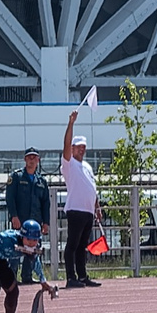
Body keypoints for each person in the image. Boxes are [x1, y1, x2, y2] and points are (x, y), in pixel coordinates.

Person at [59, 112, 103, 288]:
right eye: (78, 146)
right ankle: (71, 277)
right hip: (76, 209)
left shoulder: (87, 166)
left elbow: (93, 187)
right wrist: (71, 123)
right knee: (72, 244)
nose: (81, 149)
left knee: (82, 245)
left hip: (87, 210)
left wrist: (97, 207)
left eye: (83, 146)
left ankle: (82, 276)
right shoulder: (69, 164)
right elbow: (65, 145)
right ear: (73, 148)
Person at [7, 149, 52, 236]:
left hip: (36, 221)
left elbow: (45, 203)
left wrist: (46, 222)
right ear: (25, 159)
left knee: (35, 247)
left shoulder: (41, 181)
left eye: (34, 158)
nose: (32, 160)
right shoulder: (17, 177)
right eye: (29, 158)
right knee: (19, 246)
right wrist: (14, 215)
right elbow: (10, 197)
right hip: (20, 221)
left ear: (38, 160)